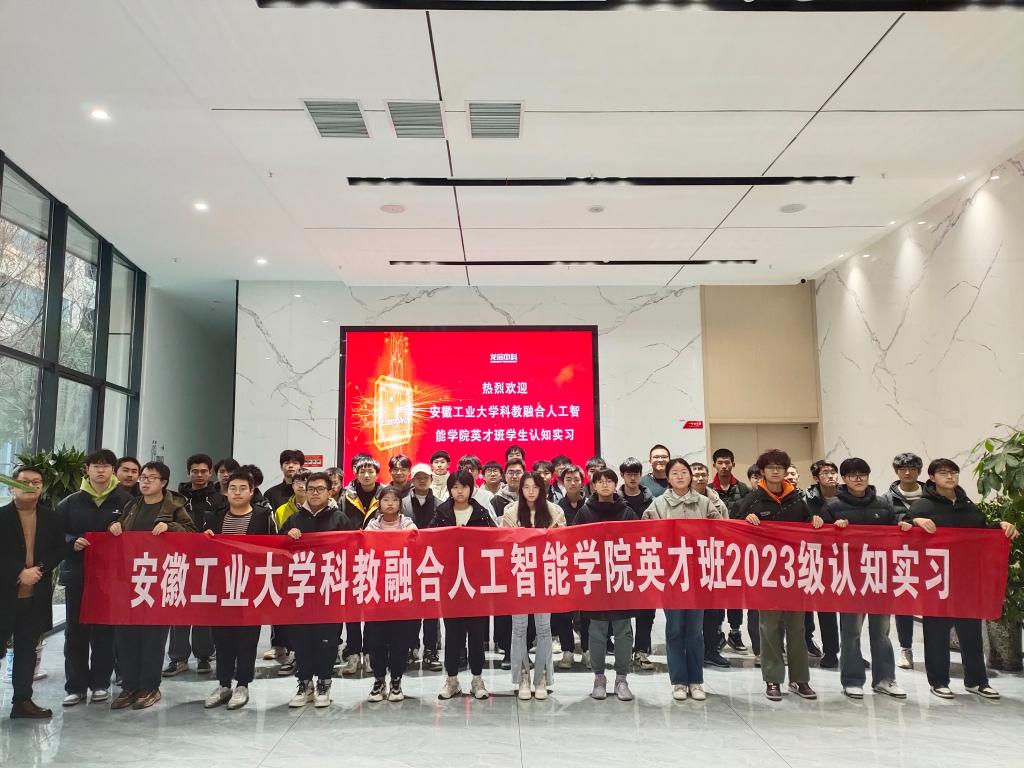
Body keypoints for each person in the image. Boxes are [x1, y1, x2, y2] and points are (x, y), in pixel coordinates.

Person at [908, 458, 1018, 700]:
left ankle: (977, 681)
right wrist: (914, 521)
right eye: (943, 473)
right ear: (932, 477)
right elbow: (902, 529)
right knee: (936, 633)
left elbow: (982, 532)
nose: (950, 477)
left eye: (953, 472)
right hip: (936, 579)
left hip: (966, 580)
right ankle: (939, 681)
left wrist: (1000, 526)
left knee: (971, 632)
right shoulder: (922, 506)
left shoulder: (968, 505)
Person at [735, 449, 821, 702]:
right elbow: (734, 529)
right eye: (770, 467)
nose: (775, 471)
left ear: (785, 471)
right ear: (762, 471)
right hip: (765, 575)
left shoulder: (797, 499)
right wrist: (745, 521)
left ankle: (800, 678)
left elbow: (810, 526)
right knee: (769, 628)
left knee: (797, 628)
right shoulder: (752, 499)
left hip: (794, 574)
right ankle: (772, 679)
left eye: (780, 467)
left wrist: (816, 521)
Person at [109, 461, 196, 710]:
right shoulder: (132, 505)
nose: (145, 482)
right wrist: (114, 527)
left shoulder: (175, 506)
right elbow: (121, 534)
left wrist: (171, 527)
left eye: (151, 478)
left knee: (152, 637)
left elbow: (192, 533)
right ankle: (129, 686)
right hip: (130, 580)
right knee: (126, 636)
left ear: (163, 482)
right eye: (143, 477)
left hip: (158, 581)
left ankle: (150, 687)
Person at [821, 458, 906, 700]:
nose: (858, 479)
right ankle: (852, 680)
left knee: (882, 632)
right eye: (852, 475)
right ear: (844, 479)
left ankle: (885, 679)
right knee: (851, 632)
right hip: (850, 578)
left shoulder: (883, 504)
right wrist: (834, 530)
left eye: (862, 474)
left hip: (879, 576)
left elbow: (896, 532)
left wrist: (905, 526)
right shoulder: (833, 506)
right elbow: (821, 541)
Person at [56, 449, 133, 706]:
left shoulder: (127, 502)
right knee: (75, 633)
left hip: (111, 577)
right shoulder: (69, 503)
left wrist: (123, 530)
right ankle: (75, 686)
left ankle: (100, 683)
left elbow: (136, 537)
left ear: (113, 470)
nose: (101, 470)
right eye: (96, 466)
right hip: (78, 575)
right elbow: (56, 536)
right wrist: (71, 541)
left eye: (106, 466)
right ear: (87, 470)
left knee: (105, 632)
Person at [643, 458, 719, 701]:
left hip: (697, 574)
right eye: (674, 473)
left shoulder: (705, 502)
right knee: (675, 629)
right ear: (668, 478)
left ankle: (696, 680)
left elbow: (721, 529)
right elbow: (645, 532)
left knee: (695, 631)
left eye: (683, 472)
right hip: (671, 575)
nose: (679, 476)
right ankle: (678, 681)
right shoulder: (658, 504)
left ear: (690, 476)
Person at [282, 471, 357, 709]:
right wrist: (287, 537)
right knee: (301, 640)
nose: (315, 493)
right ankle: (304, 683)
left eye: (320, 489)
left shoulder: (340, 519)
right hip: (301, 590)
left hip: (330, 590)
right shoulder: (294, 520)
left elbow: (353, 550)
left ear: (330, 491)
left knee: (328, 640)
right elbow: (277, 550)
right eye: (311, 489)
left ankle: (324, 682)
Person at [203, 471, 275, 711]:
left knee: (247, 639)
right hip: (221, 587)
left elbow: (275, 547)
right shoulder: (215, 517)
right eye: (232, 488)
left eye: (243, 488)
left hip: (251, 588)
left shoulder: (263, 517)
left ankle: (243, 684)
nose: (237, 492)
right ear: (226, 491)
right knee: (222, 639)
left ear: (252, 491)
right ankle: (223, 684)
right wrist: (204, 538)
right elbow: (202, 549)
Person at [1, 465, 64, 719]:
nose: (31, 486)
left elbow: (59, 549)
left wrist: (39, 569)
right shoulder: (2, 516)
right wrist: (19, 572)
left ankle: (22, 701)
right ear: (12, 487)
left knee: (27, 650)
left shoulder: (52, 518)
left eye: (36, 482)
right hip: (4, 595)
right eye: (24, 481)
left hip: (35, 596)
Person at [432, 470, 497, 701]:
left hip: (476, 582)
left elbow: (495, 540)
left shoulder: (481, 513)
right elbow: (429, 540)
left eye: (464, 486)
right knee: (453, 634)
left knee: (477, 633)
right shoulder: (441, 513)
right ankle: (452, 680)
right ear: (450, 489)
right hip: (451, 582)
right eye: (455, 487)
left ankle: (477, 679)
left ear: (471, 489)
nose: (459, 491)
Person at [501, 471, 566, 700]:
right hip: (519, 575)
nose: (530, 491)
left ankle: (542, 677)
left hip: (544, 576)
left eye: (535, 487)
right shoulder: (510, 512)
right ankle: (523, 677)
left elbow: (562, 543)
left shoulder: (555, 511)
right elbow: (505, 545)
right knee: (519, 629)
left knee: (544, 629)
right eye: (526, 487)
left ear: (542, 489)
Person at [573, 468, 636, 702]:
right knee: (596, 631)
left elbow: (637, 542)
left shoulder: (627, 512)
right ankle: (599, 677)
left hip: (620, 577)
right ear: (593, 486)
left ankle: (622, 678)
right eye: (600, 481)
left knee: (623, 631)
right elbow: (574, 541)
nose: (605, 485)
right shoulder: (584, 512)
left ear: (615, 484)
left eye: (610, 481)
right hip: (594, 578)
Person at [165, 452, 223, 678]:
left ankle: (204, 656)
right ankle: (178, 658)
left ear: (211, 473)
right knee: (179, 609)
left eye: (203, 471)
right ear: (188, 472)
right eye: (195, 471)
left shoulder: (220, 500)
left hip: (209, 562)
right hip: (180, 560)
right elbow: (166, 523)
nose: (199, 475)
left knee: (204, 609)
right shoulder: (175, 499)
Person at [364, 486, 418, 702]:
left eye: (394, 500)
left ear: (400, 504)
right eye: (385, 499)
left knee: (400, 639)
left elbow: (416, 547)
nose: (389, 503)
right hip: (377, 591)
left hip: (401, 590)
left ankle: (396, 680)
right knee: (376, 639)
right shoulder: (371, 526)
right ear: (379, 503)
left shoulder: (409, 525)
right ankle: (378, 680)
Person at [690, 461, 741, 657]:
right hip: (689, 561)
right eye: (696, 475)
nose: (700, 478)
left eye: (703, 474)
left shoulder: (716, 502)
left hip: (713, 559)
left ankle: (712, 649)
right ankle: (695, 651)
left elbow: (725, 528)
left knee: (713, 609)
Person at [883, 452, 926, 670]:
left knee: (935, 603)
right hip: (900, 558)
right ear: (896, 471)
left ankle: (935, 649)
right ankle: (905, 648)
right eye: (902, 469)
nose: (907, 473)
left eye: (912, 469)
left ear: (919, 471)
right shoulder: (886, 499)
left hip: (931, 557)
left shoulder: (932, 496)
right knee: (904, 604)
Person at [401, 464, 443, 671]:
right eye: (418, 477)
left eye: (425, 477)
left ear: (431, 479)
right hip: (408, 562)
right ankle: (411, 648)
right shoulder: (402, 503)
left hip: (433, 562)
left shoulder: (441, 504)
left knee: (431, 609)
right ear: (412, 480)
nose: (422, 480)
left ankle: (430, 650)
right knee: (411, 608)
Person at [802, 459, 841, 667]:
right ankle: (830, 651)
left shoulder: (847, 496)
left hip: (845, 558)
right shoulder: (806, 500)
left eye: (833, 472)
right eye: (825, 473)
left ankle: (852, 653)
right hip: (817, 558)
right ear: (816, 478)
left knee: (850, 611)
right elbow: (799, 522)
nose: (830, 476)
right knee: (826, 608)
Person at [617, 457, 655, 670]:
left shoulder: (652, 500)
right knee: (623, 609)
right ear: (622, 475)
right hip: (621, 558)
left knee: (647, 609)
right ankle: (625, 649)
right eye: (628, 474)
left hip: (647, 557)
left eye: (636, 474)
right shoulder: (614, 500)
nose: (632, 478)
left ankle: (641, 650)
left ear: (641, 475)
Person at [490, 458, 526, 668]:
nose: (514, 475)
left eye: (518, 472)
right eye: (511, 472)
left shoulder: (532, 496)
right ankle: (507, 650)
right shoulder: (495, 501)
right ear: (505, 475)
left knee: (527, 607)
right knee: (505, 608)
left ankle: (525, 649)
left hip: (528, 561)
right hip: (504, 561)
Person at [554, 464, 586, 668]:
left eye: (576, 479)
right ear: (562, 482)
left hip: (586, 563)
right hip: (563, 564)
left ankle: (587, 649)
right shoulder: (556, 508)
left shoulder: (590, 505)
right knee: (563, 611)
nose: (573, 483)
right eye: (568, 480)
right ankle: (567, 650)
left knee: (586, 611)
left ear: (582, 482)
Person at [711, 448, 750, 513]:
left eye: (727, 463)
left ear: (733, 464)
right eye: (720, 463)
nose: (724, 466)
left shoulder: (743, 488)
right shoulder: (708, 490)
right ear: (714, 465)